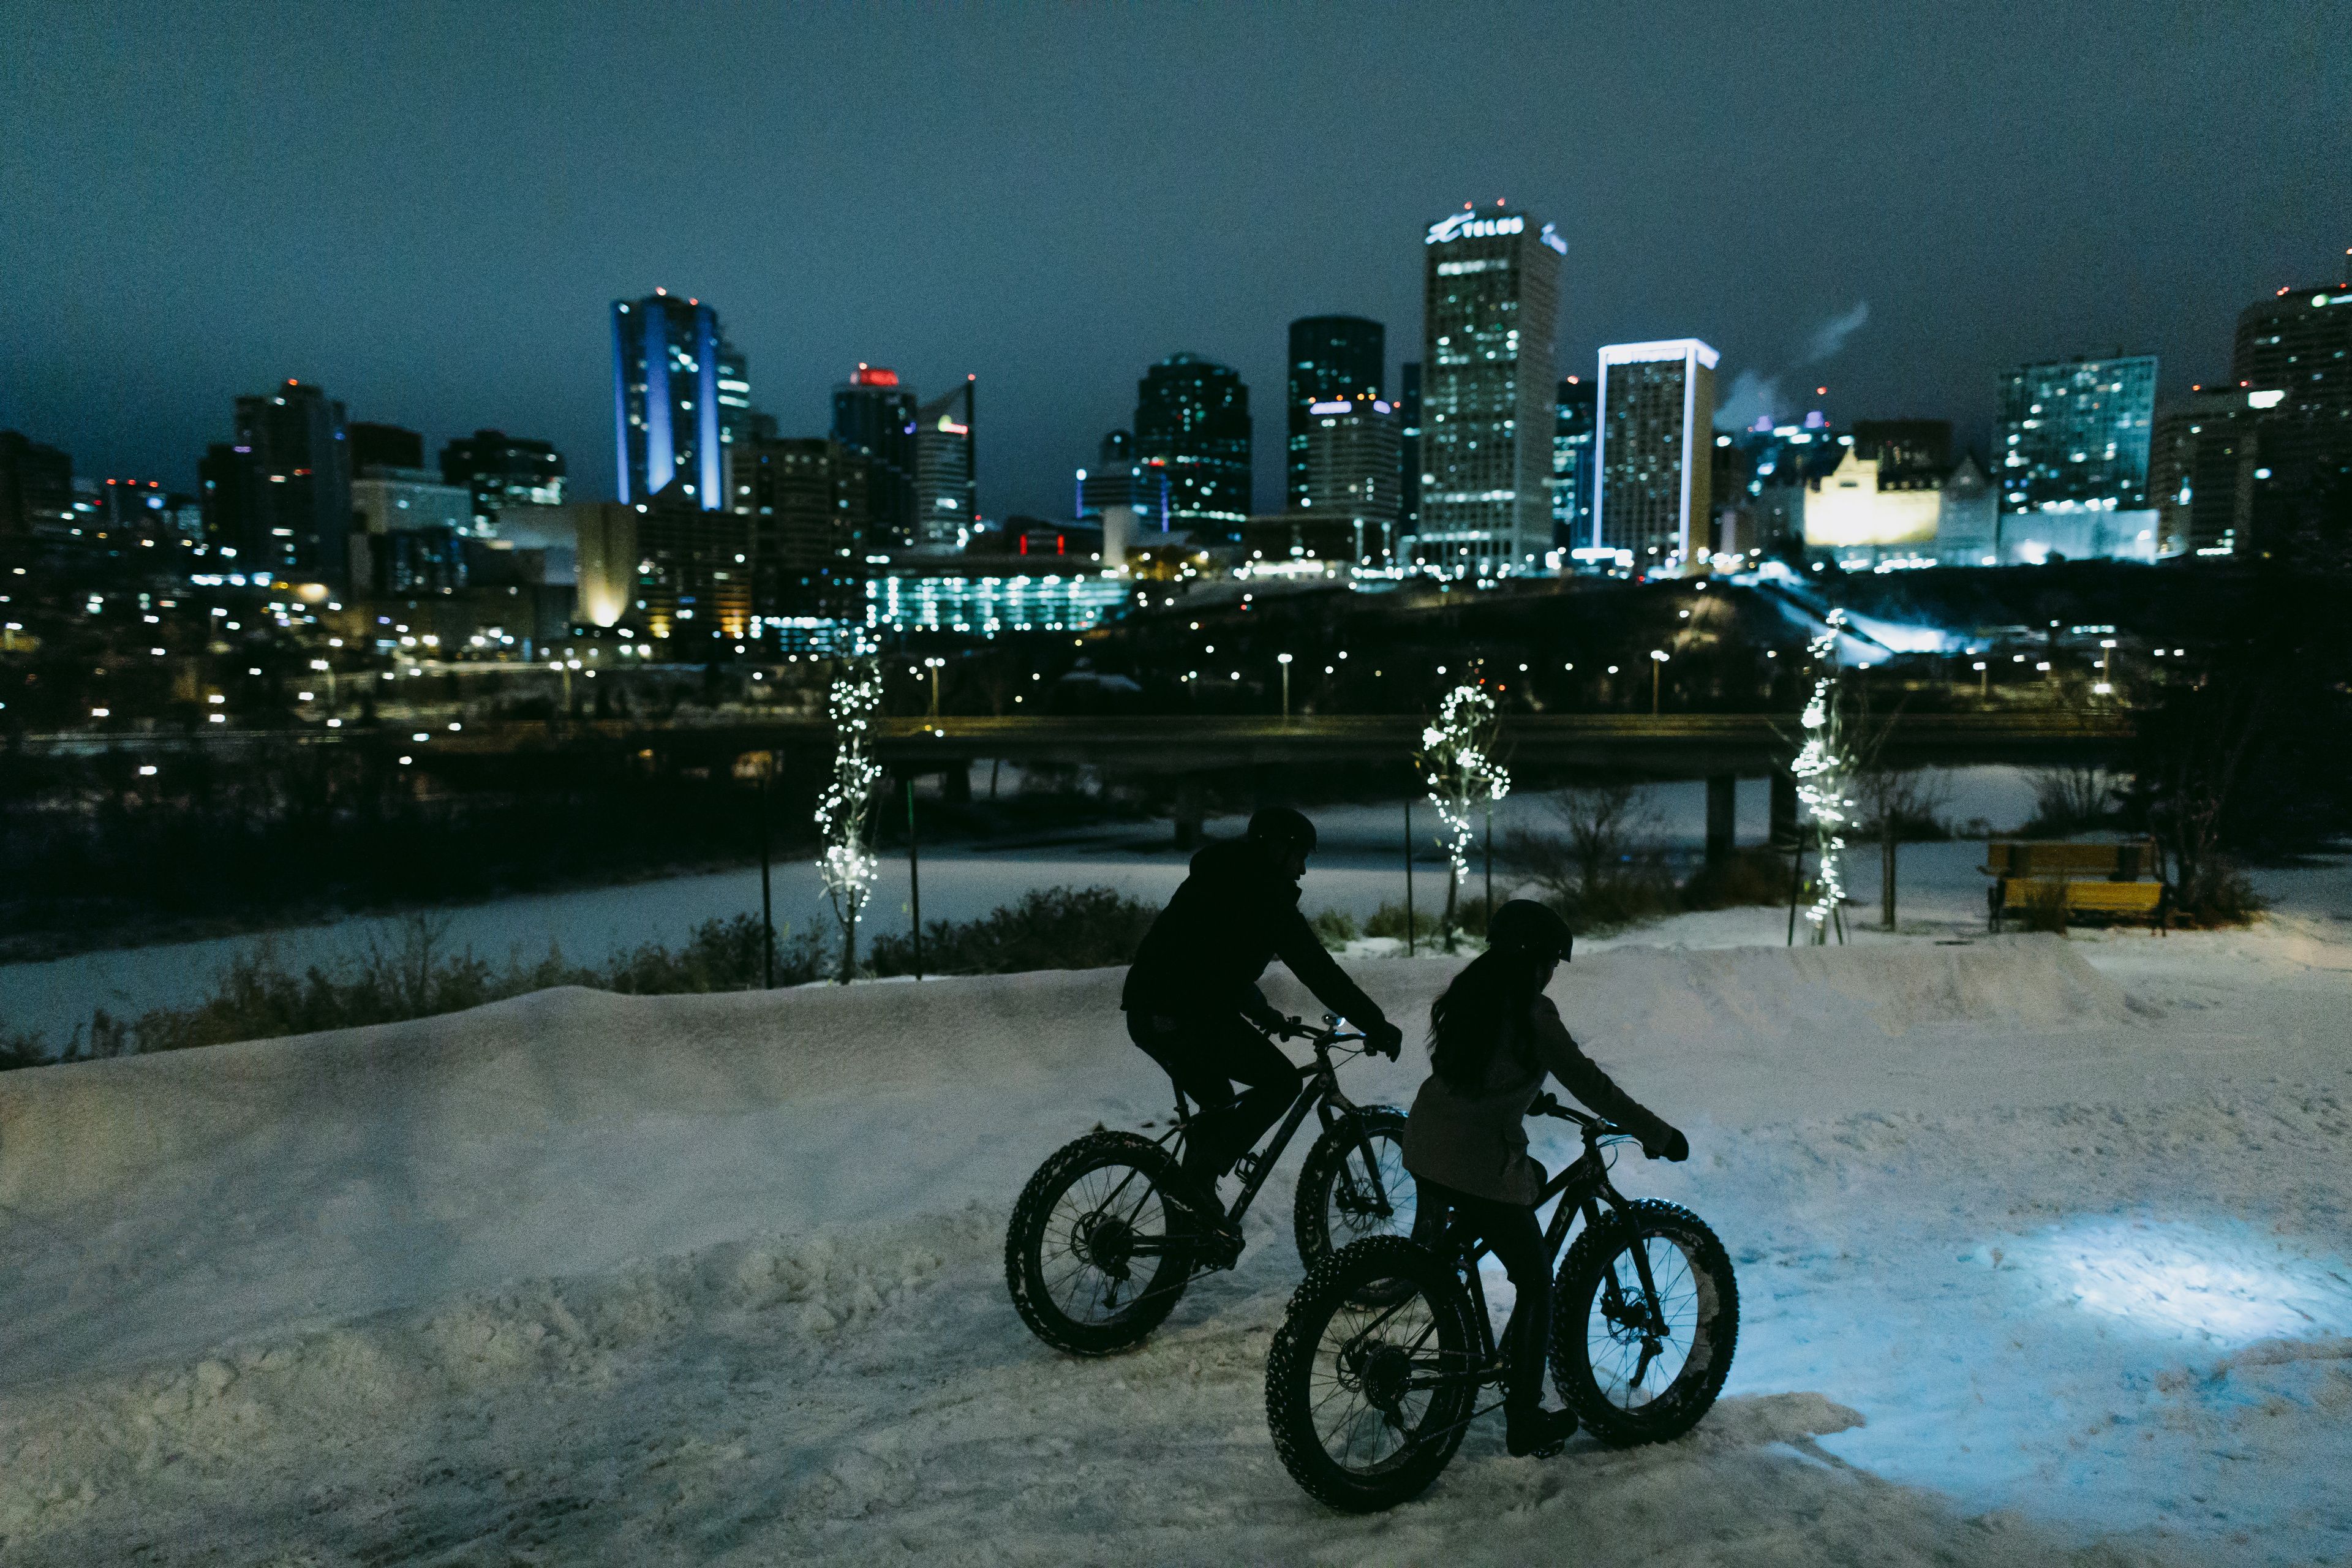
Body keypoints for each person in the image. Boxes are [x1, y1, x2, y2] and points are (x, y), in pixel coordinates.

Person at [1400, 899, 1689, 1458]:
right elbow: (1592, 1084)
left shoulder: (1471, 993)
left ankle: (1449, 1306)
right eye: (1553, 961)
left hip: (1425, 1142)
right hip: (1473, 1157)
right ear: (1533, 960)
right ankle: (1525, 1418)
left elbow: (1479, 1068)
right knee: (1536, 1281)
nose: (1553, 972)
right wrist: (1658, 1134)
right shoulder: (1533, 1011)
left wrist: (1523, 1093)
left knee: (1521, 1181)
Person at [1123, 807, 1407, 1235]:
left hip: (1156, 1010)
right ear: (1277, 850)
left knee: (1218, 1105)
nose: (1304, 870)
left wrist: (1264, 1014)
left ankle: (1190, 1222)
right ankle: (1197, 1184)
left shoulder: (1224, 878)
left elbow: (1214, 962)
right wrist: (1376, 1023)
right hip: (1180, 1014)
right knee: (1281, 1083)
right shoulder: (1263, 895)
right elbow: (1318, 970)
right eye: (1300, 857)